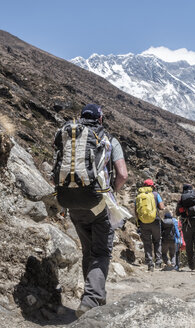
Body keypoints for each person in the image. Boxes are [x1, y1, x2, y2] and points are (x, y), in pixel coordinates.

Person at [55, 104, 128, 317]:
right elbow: (122, 174)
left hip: (71, 203)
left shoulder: (68, 136)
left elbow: (56, 171)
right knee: (101, 252)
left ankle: (93, 298)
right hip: (98, 202)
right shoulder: (108, 139)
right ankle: (91, 300)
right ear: (101, 119)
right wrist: (111, 191)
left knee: (88, 251)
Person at [135, 179, 165, 271]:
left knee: (147, 243)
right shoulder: (155, 194)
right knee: (157, 241)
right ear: (152, 186)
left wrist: (138, 222)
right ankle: (158, 262)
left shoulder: (139, 195)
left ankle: (150, 263)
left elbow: (136, 211)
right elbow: (162, 207)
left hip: (143, 222)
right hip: (155, 221)